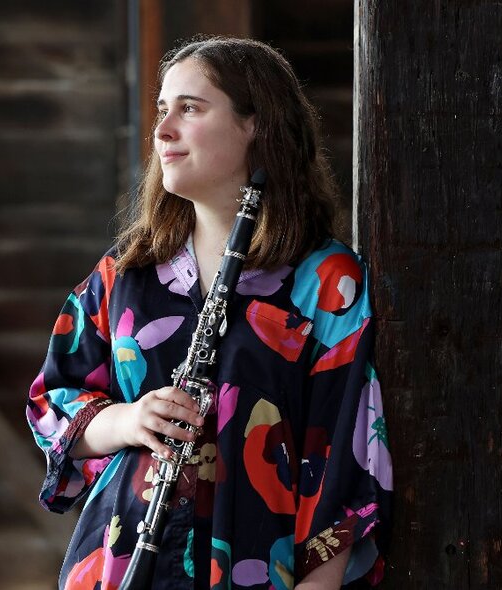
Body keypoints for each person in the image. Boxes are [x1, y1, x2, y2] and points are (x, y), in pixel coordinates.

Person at [26, 36, 392, 590]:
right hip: (123, 562)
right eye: (162, 110)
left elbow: (346, 454)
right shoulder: (124, 273)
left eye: (190, 108)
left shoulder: (327, 280)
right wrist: (128, 420)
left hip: (254, 564)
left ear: (256, 126)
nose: (163, 129)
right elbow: (52, 401)